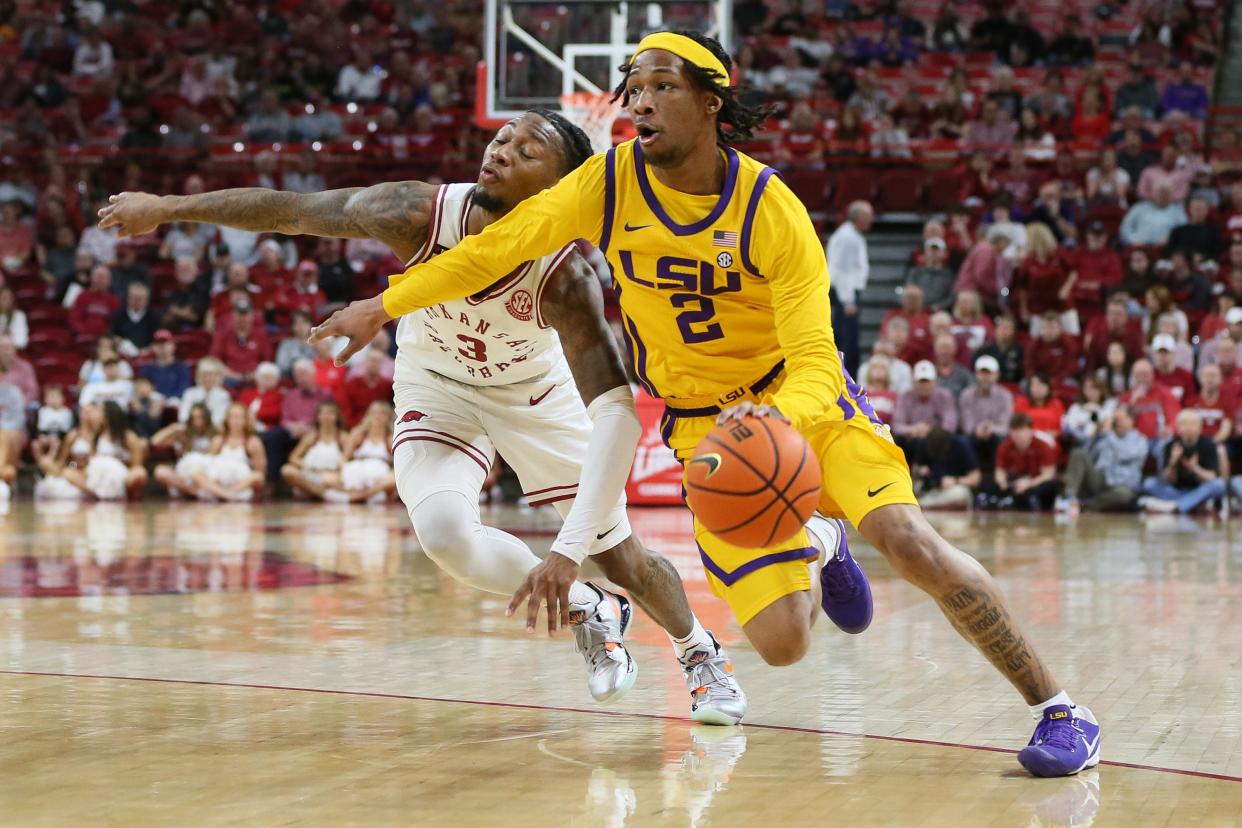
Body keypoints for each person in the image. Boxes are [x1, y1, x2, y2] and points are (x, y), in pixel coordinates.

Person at [127, 32, 1099, 775]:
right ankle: (813, 544)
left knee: (909, 538)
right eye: (628, 88)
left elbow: (813, 356)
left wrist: (770, 431)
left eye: (658, 86)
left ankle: (1060, 712)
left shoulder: (773, 213)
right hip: (689, 424)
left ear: (712, 100)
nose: (636, 101)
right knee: (788, 646)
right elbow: (482, 253)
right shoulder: (601, 185)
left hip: (800, 408)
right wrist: (381, 304)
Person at [100, 103, 744, 722]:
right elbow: (291, 211)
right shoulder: (417, 212)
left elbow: (616, 411)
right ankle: (589, 610)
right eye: (504, 138)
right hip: (437, 385)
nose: (501, 150)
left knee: (621, 555)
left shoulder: (565, 277)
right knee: (443, 535)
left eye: (527, 150)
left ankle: (699, 654)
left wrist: (569, 548)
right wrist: (167, 208)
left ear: (558, 187)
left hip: (532, 399)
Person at [1058, 404, 1146, 515]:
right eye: (1115, 419)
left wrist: (1108, 433)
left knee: (1124, 495)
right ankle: (1068, 498)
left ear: (1131, 420)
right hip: (1099, 480)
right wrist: (1095, 434)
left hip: (1121, 486)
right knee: (1078, 453)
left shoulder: (1140, 440)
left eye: (1119, 419)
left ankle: (1083, 505)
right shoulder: (1106, 436)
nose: (1116, 422)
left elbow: (1123, 454)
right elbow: (1086, 455)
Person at [1139, 410, 1227, 514]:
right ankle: (1187, 504)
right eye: (1184, 423)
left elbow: (1212, 477)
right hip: (1176, 491)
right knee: (1149, 483)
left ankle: (1176, 506)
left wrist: (1195, 468)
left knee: (1219, 485)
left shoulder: (1208, 445)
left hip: (1199, 490)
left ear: (1200, 428)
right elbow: (1166, 479)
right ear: (1178, 427)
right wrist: (1173, 463)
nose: (1188, 427)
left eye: (1192, 424)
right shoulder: (1170, 446)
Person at [826, 200, 873, 376]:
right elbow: (842, 271)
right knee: (848, 342)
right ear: (858, 217)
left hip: (847, 294)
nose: (871, 220)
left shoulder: (851, 235)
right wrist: (848, 301)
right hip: (846, 296)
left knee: (846, 340)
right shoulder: (847, 237)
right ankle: (846, 379)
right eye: (868, 216)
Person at [979, 413, 1059, 511]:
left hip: (1034, 482)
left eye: (1021, 430)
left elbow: (1048, 474)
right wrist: (1002, 482)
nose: (1018, 435)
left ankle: (1032, 503)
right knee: (986, 480)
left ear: (1030, 431)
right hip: (1014, 482)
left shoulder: (1043, 447)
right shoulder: (1005, 446)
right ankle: (995, 502)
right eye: (1015, 431)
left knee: (1050, 485)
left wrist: (1029, 483)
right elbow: (999, 470)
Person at [195, 402, 267, 502]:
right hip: (219, 481)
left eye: (239, 417)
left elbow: (260, 473)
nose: (235, 421)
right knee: (196, 474)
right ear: (227, 420)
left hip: (241, 483)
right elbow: (209, 464)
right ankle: (224, 493)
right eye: (232, 417)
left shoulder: (253, 442)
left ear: (246, 420)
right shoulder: (218, 440)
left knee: (257, 477)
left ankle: (227, 493)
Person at [151, 402, 217, 498]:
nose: (197, 421)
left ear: (207, 418)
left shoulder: (214, 434)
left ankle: (203, 490)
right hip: (184, 474)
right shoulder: (182, 434)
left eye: (200, 417)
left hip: (206, 473)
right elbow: (154, 441)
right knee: (160, 471)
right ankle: (194, 492)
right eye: (194, 418)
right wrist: (173, 428)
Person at [338, 401, 398, 504]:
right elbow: (344, 459)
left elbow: (396, 465)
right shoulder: (358, 434)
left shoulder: (390, 438)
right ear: (368, 415)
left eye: (382, 414)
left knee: (392, 481)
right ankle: (364, 495)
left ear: (388, 417)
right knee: (327, 479)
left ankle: (357, 497)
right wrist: (343, 472)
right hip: (356, 471)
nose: (378, 417)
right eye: (375, 413)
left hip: (379, 476)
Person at [958, 355, 1012, 469]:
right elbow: (967, 424)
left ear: (997, 375)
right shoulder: (966, 395)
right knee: (963, 440)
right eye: (982, 373)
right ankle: (972, 473)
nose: (985, 377)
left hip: (996, 437)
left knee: (1000, 439)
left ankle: (998, 473)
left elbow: (1006, 426)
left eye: (989, 373)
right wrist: (979, 429)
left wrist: (990, 429)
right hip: (974, 436)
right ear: (976, 374)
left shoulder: (1006, 396)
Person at [1120, 184, 1187, 247]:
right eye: (1159, 192)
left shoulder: (1178, 211)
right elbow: (1125, 228)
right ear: (1152, 193)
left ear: (1170, 195)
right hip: (1138, 247)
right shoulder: (1138, 208)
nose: (1161, 195)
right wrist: (1132, 241)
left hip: (1165, 248)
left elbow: (1183, 231)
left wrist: (1171, 239)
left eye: (1164, 192)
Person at [139, 330, 192, 404]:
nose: (162, 346)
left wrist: (165, 399)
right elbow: (142, 389)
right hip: (152, 404)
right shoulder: (147, 369)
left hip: (174, 403)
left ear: (173, 345)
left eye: (166, 343)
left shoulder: (182, 368)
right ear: (153, 347)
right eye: (158, 344)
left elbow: (183, 390)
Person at [178, 356, 231, 426]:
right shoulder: (189, 393)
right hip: (190, 430)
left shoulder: (224, 395)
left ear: (219, 376)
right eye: (206, 374)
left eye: (214, 374)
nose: (209, 378)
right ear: (199, 375)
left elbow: (219, 419)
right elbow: (183, 416)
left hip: (213, 432)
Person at [904, 238, 954, 310]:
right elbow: (909, 291)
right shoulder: (915, 272)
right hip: (917, 310)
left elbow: (952, 296)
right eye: (931, 250)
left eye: (937, 250)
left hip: (940, 312)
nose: (934, 253)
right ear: (925, 252)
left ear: (944, 253)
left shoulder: (949, 274)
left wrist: (939, 306)